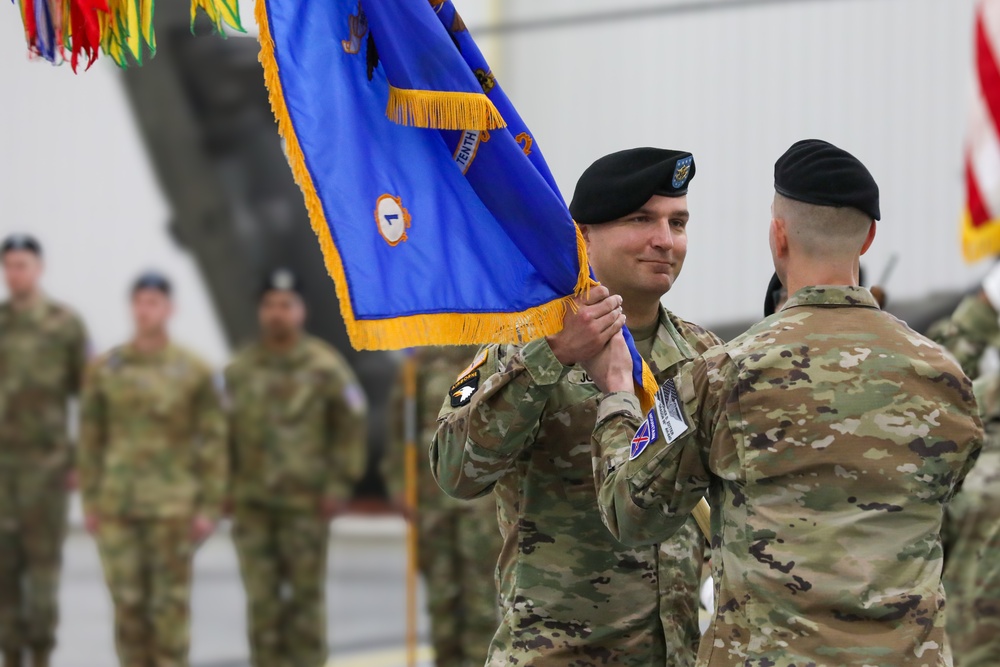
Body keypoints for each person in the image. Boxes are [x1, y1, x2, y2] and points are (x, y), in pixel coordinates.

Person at [585, 139, 984, 666]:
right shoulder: (945, 377)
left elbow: (630, 510)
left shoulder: (720, 373)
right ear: (868, 238)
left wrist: (616, 397)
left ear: (779, 237)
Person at [431, 148, 720, 666]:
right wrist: (553, 355)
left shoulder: (704, 358)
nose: (665, 240)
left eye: (678, 223)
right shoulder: (522, 343)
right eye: (641, 220)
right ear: (583, 235)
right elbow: (455, 470)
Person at [79, 271, 227, 667]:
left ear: (169, 309)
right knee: (128, 610)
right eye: (139, 302)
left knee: (169, 611)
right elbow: (91, 438)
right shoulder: (106, 369)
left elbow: (213, 441)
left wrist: (209, 507)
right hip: (118, 507)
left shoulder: (194, 370)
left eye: (154, 302)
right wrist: (90, 502)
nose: (145, 311)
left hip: (172, 508)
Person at [225, 268, 367, 667]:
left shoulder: (325, 366)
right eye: (269, 305)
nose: (277, 313)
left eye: (285, 305)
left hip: (306, 506)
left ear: (300, 310)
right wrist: (222, 487)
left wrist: (339, 484)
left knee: (305, 603)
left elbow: (352, 425)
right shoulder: (240, 370)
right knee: (262, 604)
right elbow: (219, 431)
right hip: (253, 507)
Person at [0, 234, 89, 667]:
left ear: (39, 269)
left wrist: (78, 461)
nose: (16, 273)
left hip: (46, 470)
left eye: (23, 265)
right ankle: (10, 656)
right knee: (3, 574)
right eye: (9, 265)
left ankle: (41, 657)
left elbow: (87, 397)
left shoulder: (64, 325)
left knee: (41, 574)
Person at [383, 346, 502, 667]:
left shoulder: (496, 356)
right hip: (431, 503)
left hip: (481, 507)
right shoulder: (419, 365)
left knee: (480, 601)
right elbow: (398, 432)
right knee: (441, 600)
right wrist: (399, 485)